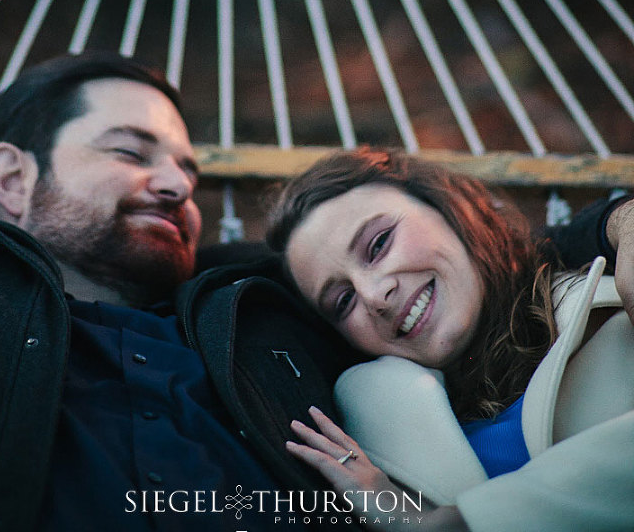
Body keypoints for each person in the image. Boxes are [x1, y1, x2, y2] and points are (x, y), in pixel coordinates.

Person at [0, 60, 632, 532]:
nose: (175, 184)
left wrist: (619, 219)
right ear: (10, 179)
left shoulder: (246, 304)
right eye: (130, 153)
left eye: (187, 173)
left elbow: (480, 259)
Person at [266, 147, 634, 531]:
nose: (374, 296)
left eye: (378, 245)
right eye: (343, 301)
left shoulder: (613, 309)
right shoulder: (378, 452)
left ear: (452, 210)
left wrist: (439, 524)